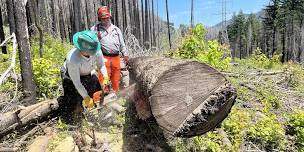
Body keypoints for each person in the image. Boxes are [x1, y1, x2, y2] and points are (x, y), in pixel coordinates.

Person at [60, 30, 109, 122]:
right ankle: (72, 122)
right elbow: (77, 83)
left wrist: (105, 76)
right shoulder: (73, 59)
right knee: (73, 99)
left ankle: (103, 115)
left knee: (97, 92)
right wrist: (86, 97)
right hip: (71, 77)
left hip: (88, 72)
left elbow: (101, 65)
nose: (94, 52)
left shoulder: (96, 51)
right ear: (82, 49)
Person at [91, 6, 129, 94]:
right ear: (99, 18)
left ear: (109, 17)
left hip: (116, 56)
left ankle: (116, 95)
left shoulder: (116, 29)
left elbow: (122, 44)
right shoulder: (95, 29)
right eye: (103, 18)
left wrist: (125, 54)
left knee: (116, 78)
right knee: (104, 77)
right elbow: (90, 39)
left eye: (107, 18)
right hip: (104, 56)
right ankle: (104, 96)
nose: (105, 20)